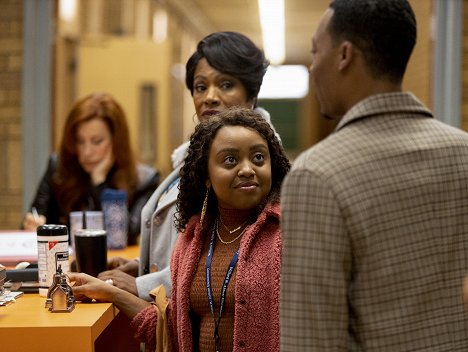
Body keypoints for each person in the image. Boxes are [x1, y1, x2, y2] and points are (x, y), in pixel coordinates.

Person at [280, 0, 468, 350]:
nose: (311, 67)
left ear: (344, 55)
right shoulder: (464, 152)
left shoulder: (317, 175)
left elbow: (312, 340)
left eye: (315, 51)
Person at [69, 107, 291, 351]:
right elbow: (173, 331)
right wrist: (111, 293)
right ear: (206, 175)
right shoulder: (193, 239)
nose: (248, 169)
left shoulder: (286, 235)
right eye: (230, 160)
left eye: (258, 157)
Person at [100, 31, 279, 300]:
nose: (210, 97)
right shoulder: (193, 158)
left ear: (251, 93)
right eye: (200, 86)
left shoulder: (257, 170)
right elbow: (193, 243)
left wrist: (142, 285)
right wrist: (144, 266)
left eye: (226, 85)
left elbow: (230, 259)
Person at [23, 93, 160, 245]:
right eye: (80, 141)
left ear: (116, 141)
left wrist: (99, 183)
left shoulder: (144, 179)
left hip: (117, 265)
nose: (87, 152)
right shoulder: (58, 167)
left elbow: (127, 235)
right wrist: (31, 226)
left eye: (97, 141)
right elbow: (34, 218)